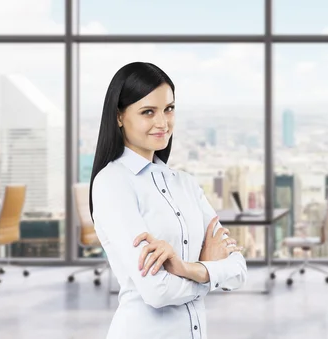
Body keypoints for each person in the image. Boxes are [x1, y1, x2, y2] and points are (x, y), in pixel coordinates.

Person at [89, 62, 247, 339]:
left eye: (169, 109)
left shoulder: (185, 184)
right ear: (119, 117)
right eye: (148, 112)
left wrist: (186, 268)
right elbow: (157, 291)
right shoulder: (112, 183)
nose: (163, 123)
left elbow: (238, 271)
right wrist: (209, 273)